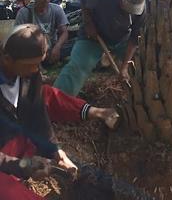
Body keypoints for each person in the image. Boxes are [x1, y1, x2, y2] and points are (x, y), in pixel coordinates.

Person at [0, 23, 120, 200]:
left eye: (38, 64)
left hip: (17, 142)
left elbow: (38, 115)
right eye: (30, 65)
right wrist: (20, 165)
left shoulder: (30, 76)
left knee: (46, 95)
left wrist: (54, 151)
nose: (36, 70)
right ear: (7, 59)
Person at [54, 0, 147, 96]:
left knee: (142, 63)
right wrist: (88, 23)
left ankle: (138, 98)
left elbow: (134, 39)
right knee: (78, 67)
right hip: (93, 36)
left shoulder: (142, 9)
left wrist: (124, 67)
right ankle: (57, 100)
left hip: (121, 40)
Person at [15, 0, 71, 65]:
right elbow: (17, 38)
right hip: (32, 50)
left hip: (52, 48)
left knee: (78, 44)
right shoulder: (24, 12)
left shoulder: (56, 9)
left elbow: (64, 32)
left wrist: (57, 47)